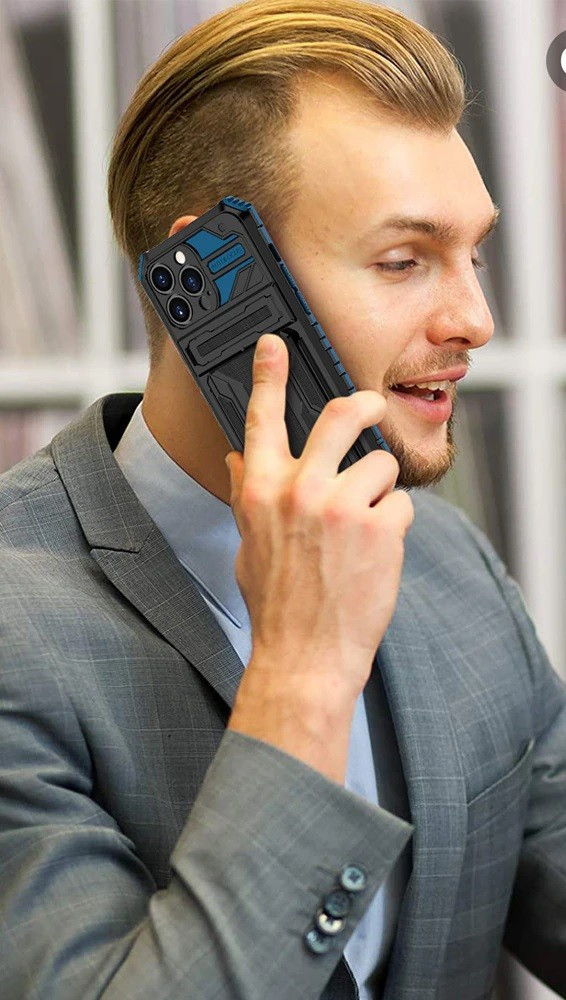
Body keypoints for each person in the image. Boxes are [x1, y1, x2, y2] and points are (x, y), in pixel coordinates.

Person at [0, 0, 564, 997]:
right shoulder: (17, 623)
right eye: (403, 261)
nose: (475, 319)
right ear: (213, 279)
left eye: (471, 256)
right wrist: (304, 674)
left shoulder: (449, 563)